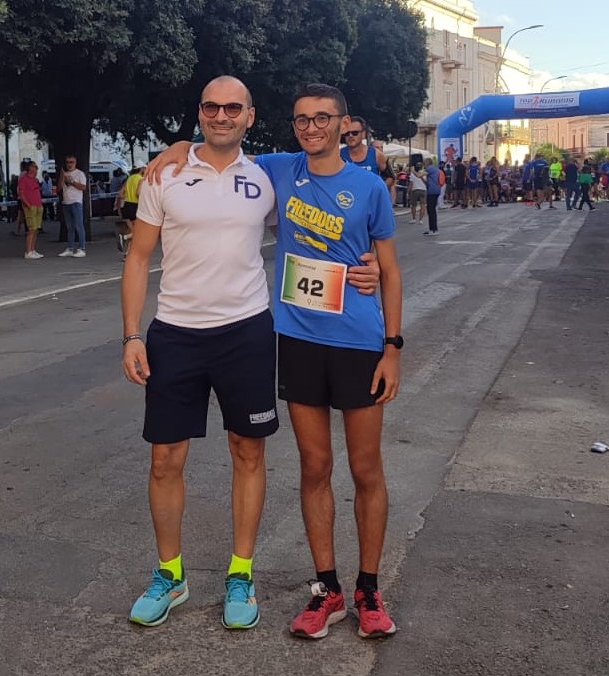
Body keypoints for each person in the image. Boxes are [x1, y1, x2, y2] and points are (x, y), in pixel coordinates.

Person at [125, 75, 381, 631]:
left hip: (246, 332)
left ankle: (241, 573)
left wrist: (372, 267)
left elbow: (324, 228)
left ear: (249, 115)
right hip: (174, 332)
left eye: (232, 108)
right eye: (211, 107)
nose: (222, 116)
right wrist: (131, 334)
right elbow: (138, 257)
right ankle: (171, 574)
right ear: (199, 113)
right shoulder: (167, 172)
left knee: (248, 451)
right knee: (164, 460)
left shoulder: (266, 174)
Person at [252, 83, 401, 640]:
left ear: (344, 123)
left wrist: (393, 347)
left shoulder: (368, 188)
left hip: (359, 343)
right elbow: (213, 148)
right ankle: (327, 590)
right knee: (315, 468)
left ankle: (368, 589)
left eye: (321, 119)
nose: (310, 128)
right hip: (297, 338)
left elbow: (391, 271)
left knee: (366, 469)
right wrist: (176, 149)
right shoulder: (280, 168)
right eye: (301, 120)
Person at [57, 155, 88, 258]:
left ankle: (82, 248)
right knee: (70, 227)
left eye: (72, 162)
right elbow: (59, 188)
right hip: (66, 202)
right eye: (68, 162)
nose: (69, 164)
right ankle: (70, 248)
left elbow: (83, 187)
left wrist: (72, 182)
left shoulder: (80, 174)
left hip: (76, 202)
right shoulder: (64, 174)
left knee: (79, 226)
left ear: (75, 163)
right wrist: (62, 175)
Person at [19, 161, 44, 258]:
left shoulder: (35, 180)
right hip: (30, 207)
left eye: (36, 167)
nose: (36, 168)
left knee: (36, 229)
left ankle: (33, 249)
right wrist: (28, 205)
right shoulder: (23, 179)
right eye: (34, 166)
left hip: (38, 205)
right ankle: (28, 251)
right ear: (29, 168)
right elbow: (21, 194)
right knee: (31, 229)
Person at [423, 157, 441, 235]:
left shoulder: (430, 169)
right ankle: (432, 229)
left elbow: (419, 175)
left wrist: (413, 170)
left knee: (431, 210)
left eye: (424, 162)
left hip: (432, 191)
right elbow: (427, 182)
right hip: (435, 190)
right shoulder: (435, 169)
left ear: (427, 163)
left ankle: (434, 229)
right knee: (431, 210)